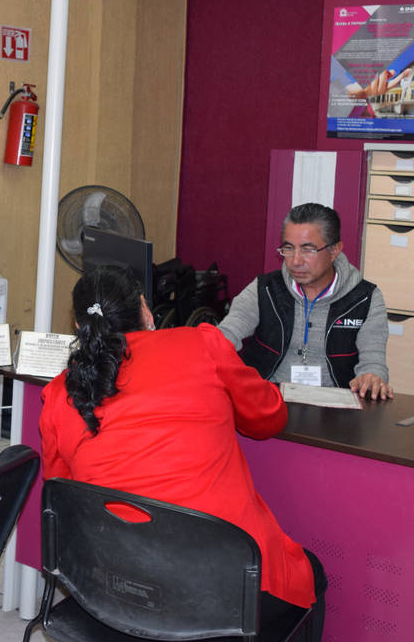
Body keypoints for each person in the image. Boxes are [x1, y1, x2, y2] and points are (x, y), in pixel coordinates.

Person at [40, 266, 326, 638]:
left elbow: (63, 494)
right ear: (145, 310)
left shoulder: (59, 393)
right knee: (312, 571)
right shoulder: (202, 344)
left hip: (115, 590)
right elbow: (269, 417)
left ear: (79, 327)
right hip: (225, 592)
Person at [219, 203, 393, 399]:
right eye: (288, 248)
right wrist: (207, 349)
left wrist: (372, 377)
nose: (296, 261)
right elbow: (227, 334)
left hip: (336, 405)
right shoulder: (265, 289)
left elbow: (373, 362)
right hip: (268, 400)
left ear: (334, 250)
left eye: (308, 250)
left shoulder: (365, 298)